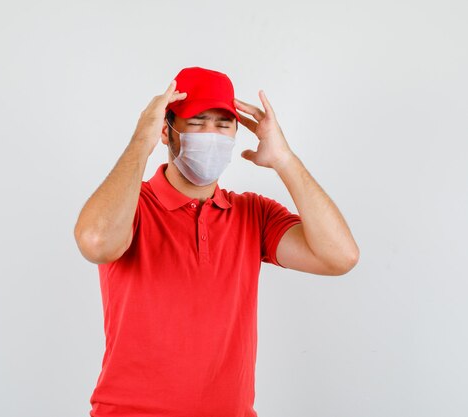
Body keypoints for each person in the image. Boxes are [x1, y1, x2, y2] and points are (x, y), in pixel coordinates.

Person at [74, 66, 359, 417]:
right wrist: (139, 144)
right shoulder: (130, 206)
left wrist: (285, 160)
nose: (211, 134)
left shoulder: (254, 213)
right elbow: (96, 242)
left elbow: (340, 256)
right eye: (196, 122)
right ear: (167, 131)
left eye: (223, 124)